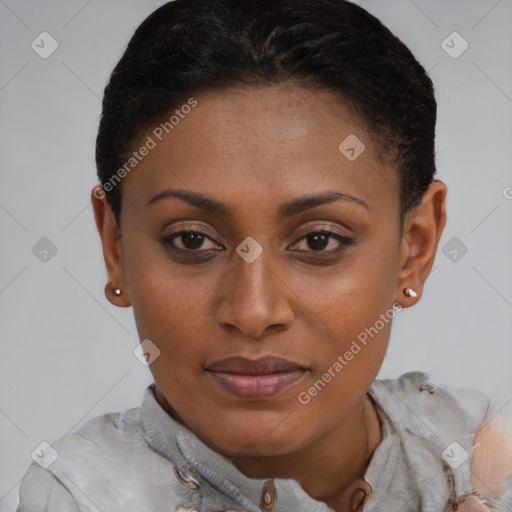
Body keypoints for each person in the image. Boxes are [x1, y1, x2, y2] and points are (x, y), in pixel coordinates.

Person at [16, 0, 512, 511]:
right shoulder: (80, 496)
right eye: (191, 240)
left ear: (416, 247)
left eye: (319, 240)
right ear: (115, 248)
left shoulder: (480, 458)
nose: (253, 313)